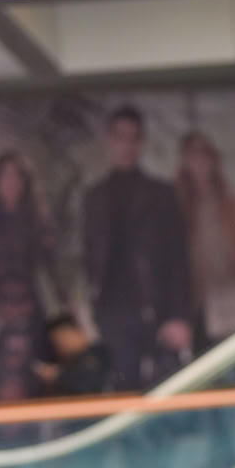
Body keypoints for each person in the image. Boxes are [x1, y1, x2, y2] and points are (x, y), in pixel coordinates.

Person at [83, 104, 194, 391]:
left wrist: (179, 315)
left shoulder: (161, 195)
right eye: (120, 137)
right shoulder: (94, 198)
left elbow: (178, 259)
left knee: (164, 390)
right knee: (123, 390)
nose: (126, 146)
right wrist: (91, 311)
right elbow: (88, 257)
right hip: (112, 315)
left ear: (141, 143)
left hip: (156, 310)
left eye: (133, 138)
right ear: (110, 140)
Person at [0, 150, 57, 404]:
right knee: (4, 387)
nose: (11, 181)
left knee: (36, 384)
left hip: (33, 315)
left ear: (25, 181)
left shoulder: (38, 224)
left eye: (16, 175)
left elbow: (53, 273)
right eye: (5, 175)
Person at [175, 130, 235, 348]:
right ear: (185, 160)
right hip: (195, 303)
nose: (200, 160)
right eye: (193, 153)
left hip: (232, 300)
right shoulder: (175, 208)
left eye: (205, 153)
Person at [33, 313, 112, 396]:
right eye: (56, 343)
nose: (63, 344)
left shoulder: (98, 353)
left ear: (78, 331)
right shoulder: (69, 363)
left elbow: (89, 382)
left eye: (64, 337)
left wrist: (58, 375)